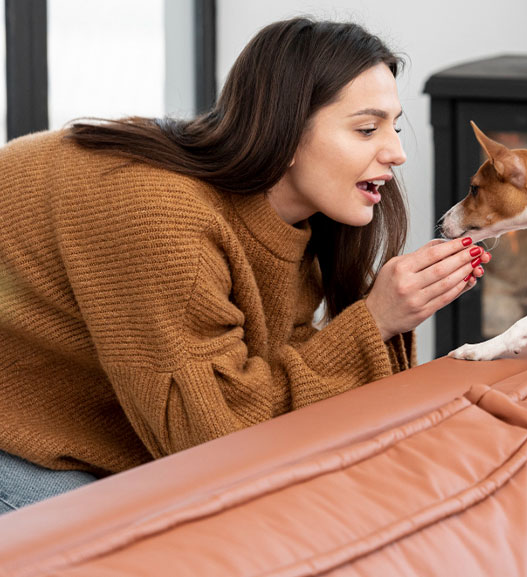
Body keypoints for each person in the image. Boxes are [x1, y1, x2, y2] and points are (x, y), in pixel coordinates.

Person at [0, 17, 490, 515]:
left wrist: (384, 315)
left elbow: (270, 374)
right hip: (16, 429)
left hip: (91, 409)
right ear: (286, 127)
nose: (397, 153)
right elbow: (208, 441)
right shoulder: (161, 216)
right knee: (119, 550)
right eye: (367, 128)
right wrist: (376, 319)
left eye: (394, 126)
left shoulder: (300, 220)